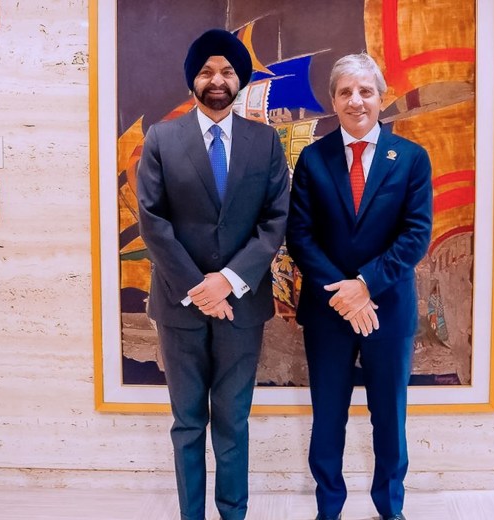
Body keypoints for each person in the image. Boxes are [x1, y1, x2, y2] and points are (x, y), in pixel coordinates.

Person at [136, 29, 289, 520]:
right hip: (178, 307)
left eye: (226, 71)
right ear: (192, 81)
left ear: (240, 80)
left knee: (232, 421)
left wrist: (228, 281)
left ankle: (232, 513)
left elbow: (275, 220)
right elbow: (152, 221)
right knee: (187, 423)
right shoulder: (162, 139)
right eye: (206, 71)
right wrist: (197, 287)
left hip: (242, 306)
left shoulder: (266, 142)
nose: (217, 80)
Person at [286, 53, 433, 520]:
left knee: (388, 416)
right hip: (328, 312)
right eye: (345, 92)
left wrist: (365, 285)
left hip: (387, 309)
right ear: (333, 101)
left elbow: (415, 235)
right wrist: (345, 294)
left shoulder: (410, 158)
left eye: (365, 91)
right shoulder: (313, 159)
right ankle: (328, 508)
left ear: (381, 98)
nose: (356, 101)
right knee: (328, 416)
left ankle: (390, 508)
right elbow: (300, 236)